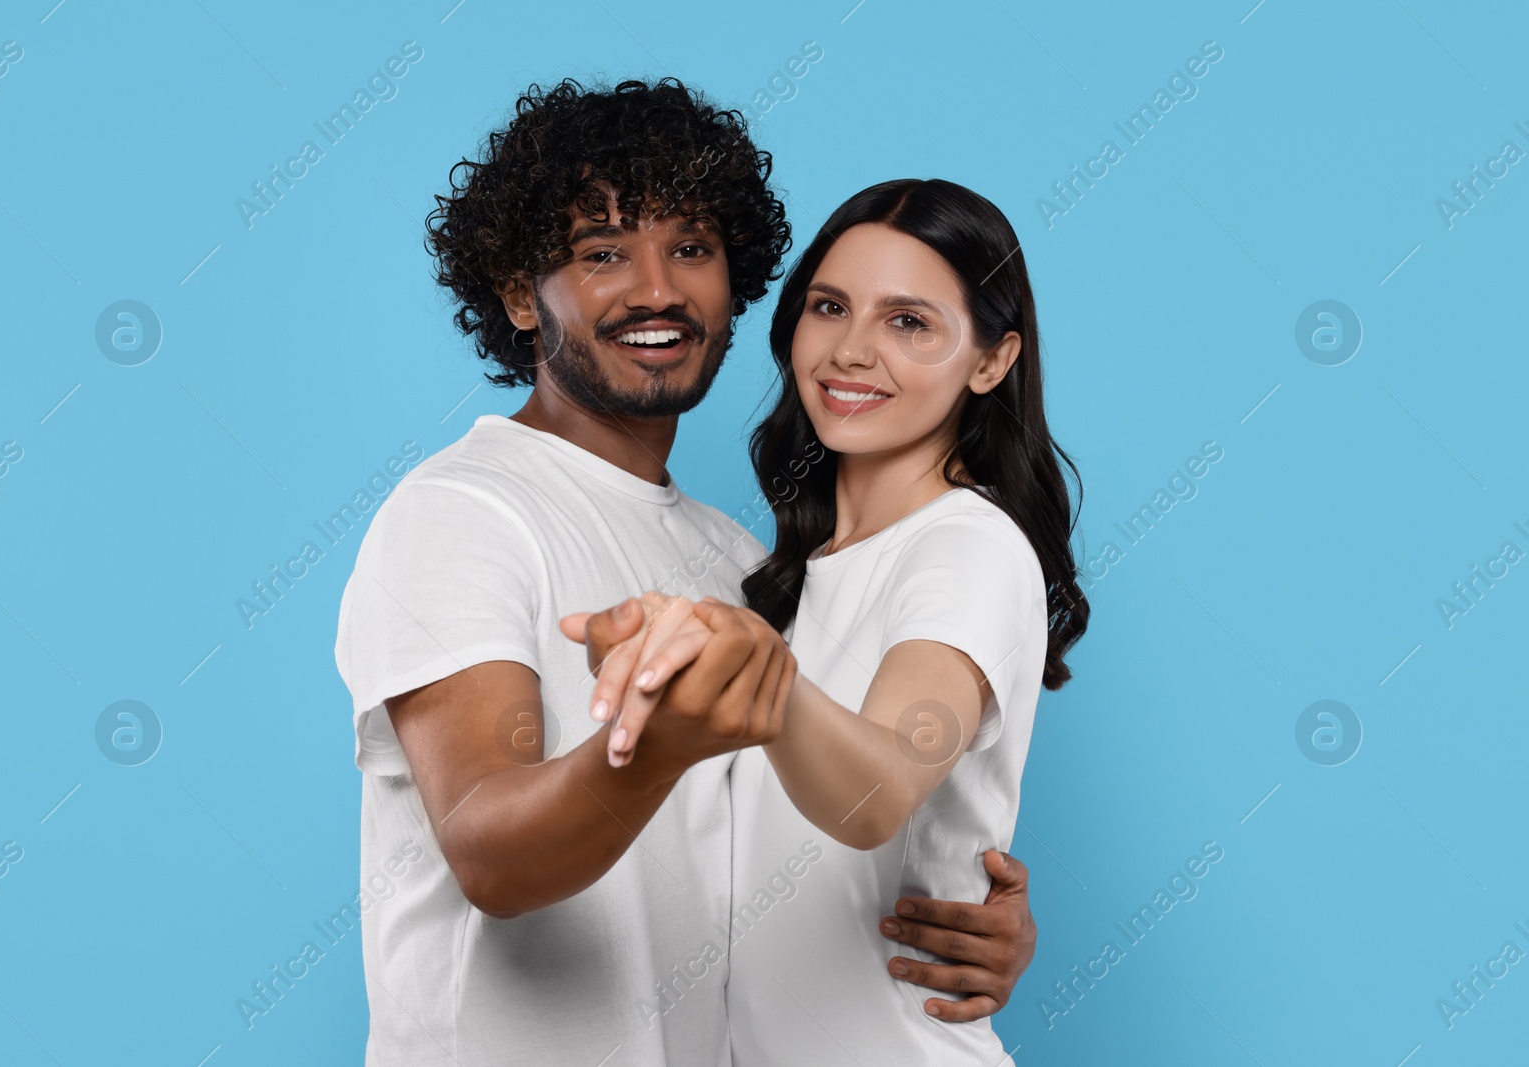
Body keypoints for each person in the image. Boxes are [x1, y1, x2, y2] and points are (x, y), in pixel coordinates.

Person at [333, 79, 1037, 1065]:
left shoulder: (742, 562)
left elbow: (804, 834)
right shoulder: (463, 512)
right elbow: (486, 847)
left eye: (692, 248)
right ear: (514, 293)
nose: (656, 288)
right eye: (601, 252)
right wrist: (652, 747)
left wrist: (957, 897)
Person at [579, 178, 1089, 1064]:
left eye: (909, 322)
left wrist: (760, 677)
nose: (852, 350)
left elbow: (877, 790)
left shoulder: (965, 547)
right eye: (830, 307)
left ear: (990, 361)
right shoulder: (785, 578)